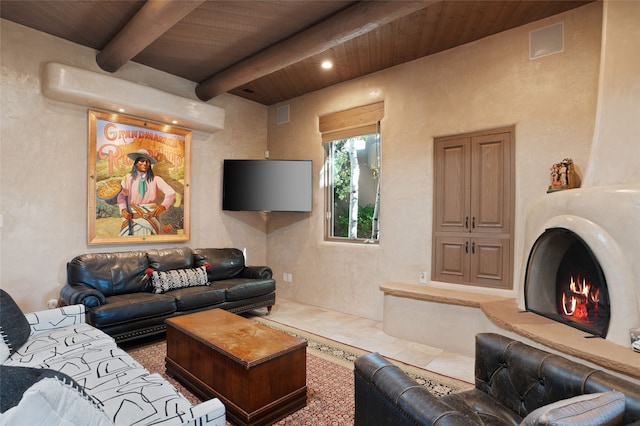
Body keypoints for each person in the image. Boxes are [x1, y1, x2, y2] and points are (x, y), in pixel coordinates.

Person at [116, 149, 176, 236]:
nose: (145, 164)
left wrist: (163, 206)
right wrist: (123, 209)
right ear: (136, 163)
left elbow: (171, 193)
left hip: (150, 217)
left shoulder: (156, 179)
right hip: (132, 216)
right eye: (142, 161)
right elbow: (121, 196)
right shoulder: (128, 178)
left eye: (147, 162)